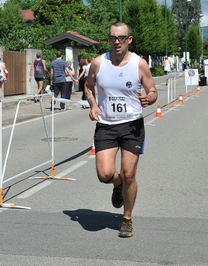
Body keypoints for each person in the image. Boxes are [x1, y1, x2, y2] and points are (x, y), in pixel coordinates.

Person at [84, 21, 158, 238]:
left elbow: (152, 90)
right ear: (108, 39)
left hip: (132, 125)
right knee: (105, 174)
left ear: (129, 39)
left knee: (128, 174)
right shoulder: (98, 63)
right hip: (106, 124)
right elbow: (88, 86)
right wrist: (94, 105)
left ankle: (127, 218)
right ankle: (117, 185)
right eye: (113, 38)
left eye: (121, 38)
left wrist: (149, 99)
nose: (117, 42)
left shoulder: (139, 64)